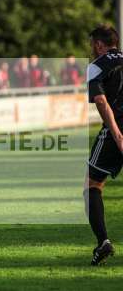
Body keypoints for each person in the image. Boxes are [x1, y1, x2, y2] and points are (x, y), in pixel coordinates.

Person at [85, 25, 123, 265]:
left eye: (92, 44)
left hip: (115, 132)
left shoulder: (97, 65)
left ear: (99, 44)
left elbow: (100, 100)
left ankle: (103, 242)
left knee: (92, 184)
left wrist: (117, 134)